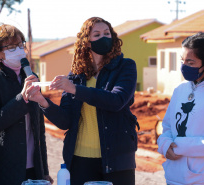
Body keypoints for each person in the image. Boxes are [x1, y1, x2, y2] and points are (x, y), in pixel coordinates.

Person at [26, 17, 139, 185]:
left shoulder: (125, 67)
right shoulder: (76, 75)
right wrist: (42, 101)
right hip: (80, 160)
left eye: (107, 33)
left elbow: (117, 101)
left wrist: (75, 89)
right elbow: (65, 121)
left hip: (117, 160)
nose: (104, 38)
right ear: (86, 42)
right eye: (97, 34)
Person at [0, 24, 53, 185]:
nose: (19, 50)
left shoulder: (31, 77)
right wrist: (21, 98)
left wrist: (44, 171)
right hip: (3, 169)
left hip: (33, 168)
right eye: (11, 47)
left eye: (20, 45)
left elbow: (40, 130)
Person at [157, 32, 204, 185]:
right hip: (173, 177)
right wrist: (165, 143)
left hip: (203, 179)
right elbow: (167, 126)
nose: (184, 66)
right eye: (182, 60)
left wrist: (180, 146)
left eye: (190, 62)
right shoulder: (180, 90)